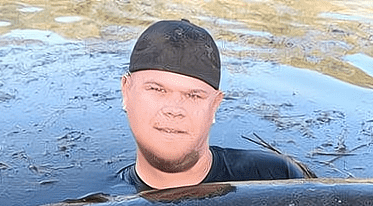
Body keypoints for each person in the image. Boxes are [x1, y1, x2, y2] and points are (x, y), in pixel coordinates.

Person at [118, 19, 309, 191]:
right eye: (156, 89)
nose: (174, 109)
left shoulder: (279, 179)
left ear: (215, 105)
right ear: (126, 91)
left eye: (194, 95)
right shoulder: (94, 204)